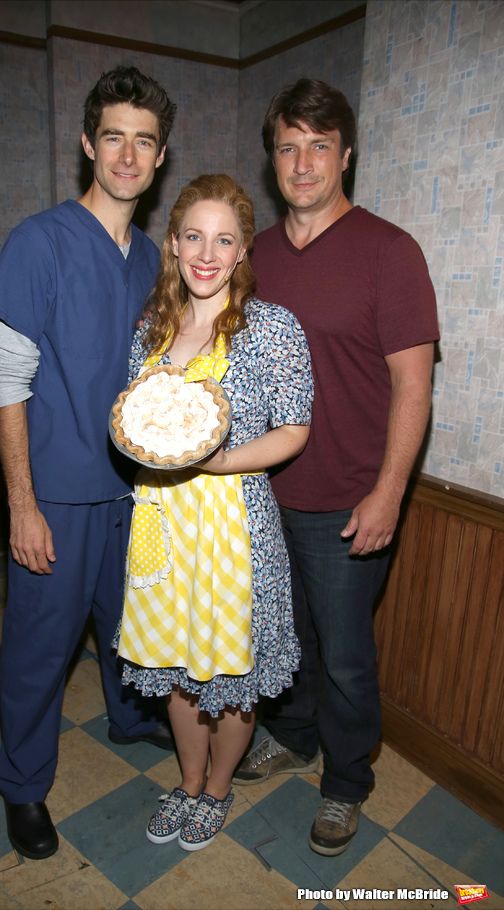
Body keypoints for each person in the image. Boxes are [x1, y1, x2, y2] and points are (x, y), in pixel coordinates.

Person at [233, 78, 440, 857]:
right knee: (283, 637)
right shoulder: (254, 255)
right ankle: (292, 735)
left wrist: (389, 492)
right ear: (272, 158)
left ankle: (347, 781)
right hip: (261, 491)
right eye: (288, 147)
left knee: (347, 656)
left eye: (319, 146)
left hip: (349, 498)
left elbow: (413, 386)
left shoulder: (390, 252)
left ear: (346, 154)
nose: (303, 163)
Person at [0, 65, 176, 860]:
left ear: (160, 157)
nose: (128, 155)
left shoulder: (152, 257)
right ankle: (22, 785)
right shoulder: (41, 241)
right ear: (89, 144)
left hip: (133, 492)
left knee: (130, 628)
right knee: (39, 651)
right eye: (114, 137)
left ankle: (130, 718)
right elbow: (6, 376)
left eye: (144, 141)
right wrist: (22, 505)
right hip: (56, 494)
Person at [115, 174, 314, 851]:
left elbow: (294, 429)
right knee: (174, 664)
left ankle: (218, 788)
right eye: (194, 237)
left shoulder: (271, 328)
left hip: (236, 525)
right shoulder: (152, 330)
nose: (207, 254)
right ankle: (188, 779)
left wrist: (221, 461)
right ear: (173, 243)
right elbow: (137, 421)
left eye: (224, 240)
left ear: (243, 250)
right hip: (163, 522)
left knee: (230, 673)